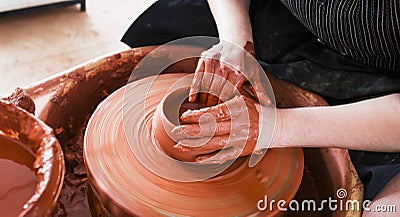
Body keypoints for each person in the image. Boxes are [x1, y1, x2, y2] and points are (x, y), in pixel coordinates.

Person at [121, 0, 400, 215]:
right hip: (281, 23)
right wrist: (236, 40)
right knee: (152, 48)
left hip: (384, 98)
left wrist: (274, 127)